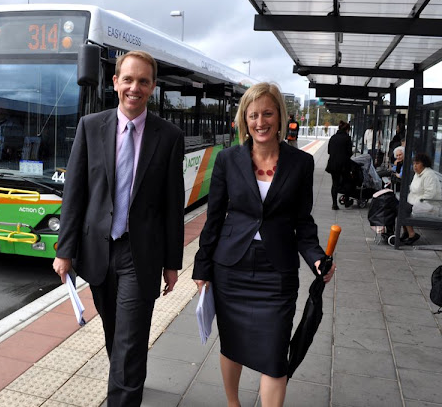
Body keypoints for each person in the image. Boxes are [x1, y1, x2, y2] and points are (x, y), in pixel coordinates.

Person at [52, 50, 184, 406]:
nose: (134, 87)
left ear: (153, 87)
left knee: (129, 343)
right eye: (128, 79)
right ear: (115, 83)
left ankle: (124, 394)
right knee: (117, 335)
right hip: (97, 251)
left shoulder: (169, 136)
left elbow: (173, 205)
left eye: (143, 81)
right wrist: (65, 251)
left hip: (138, 255)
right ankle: (128, 381)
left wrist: (172, 263)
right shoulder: (90, 127)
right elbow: (74, 193)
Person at [192, 82, 335, 407]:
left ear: (280, 117)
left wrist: (315, 258)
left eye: (267, 113)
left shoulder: (300, 163)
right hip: (231, 269)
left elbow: (303, 221)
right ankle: (233, 404)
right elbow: (214, 219)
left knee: (274, 356)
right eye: (253, 115)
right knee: (232, 346)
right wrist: (202, 268)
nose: (260, 121)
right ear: (245, 119)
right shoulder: (228, 160)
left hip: (277, 273)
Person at [398, 153, 442, 245]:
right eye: (414, 163)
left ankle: (411, 234)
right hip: (417, 202)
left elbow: (430, 194)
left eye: (417, 163)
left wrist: (414, 202)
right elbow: (413, 190)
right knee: (398, 205)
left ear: (424, 164)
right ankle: (406, 232)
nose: (415, 166)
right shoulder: (418, 174)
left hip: (430, 204)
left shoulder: (429, 175)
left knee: (403, 208)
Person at [326, 121, 353, 210]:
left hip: (333, 164)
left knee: (335, 184)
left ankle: (334, 204)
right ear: (347, 129)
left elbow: (329, 151)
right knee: (348, 182)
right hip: (344, 165)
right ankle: (346, 201)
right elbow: (350, 153)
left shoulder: (333, 137)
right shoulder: (347, 138)